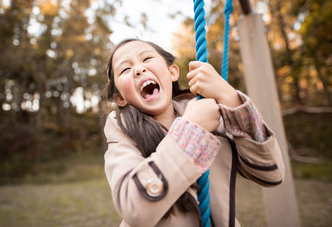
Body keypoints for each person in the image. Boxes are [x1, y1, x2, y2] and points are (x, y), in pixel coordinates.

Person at [103, 38, 285, 227]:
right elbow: (133, 206)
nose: (138, 69)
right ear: (120, 98)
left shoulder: (209, 113)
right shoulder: (121, 131)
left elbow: (272, 173)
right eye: (125, 69)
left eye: (147, 58)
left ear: (172, 72)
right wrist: (191, 130)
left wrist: (230, 98)